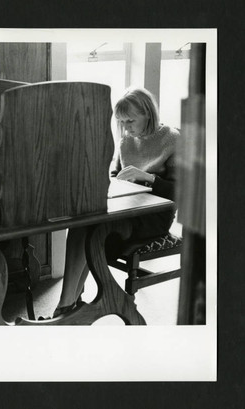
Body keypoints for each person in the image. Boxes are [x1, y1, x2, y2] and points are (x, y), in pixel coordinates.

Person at [54, 87, 180, 316]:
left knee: (94, 228)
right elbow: (116, 175)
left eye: (130, 120)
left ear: (148, 114)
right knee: (82, 223)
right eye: (122, 122)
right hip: (128, 207)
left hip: (154, 216)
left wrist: (149, 178)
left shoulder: (172, 139)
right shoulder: (126, 139)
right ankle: (69, 303)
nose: (126, 127)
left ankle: (66, 306)